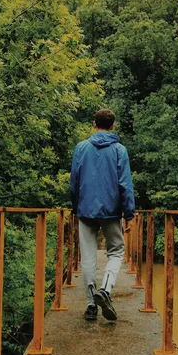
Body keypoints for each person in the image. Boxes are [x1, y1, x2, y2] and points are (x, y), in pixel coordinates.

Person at [70, 109, 135, 321]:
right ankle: (106, 290)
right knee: (116, 251)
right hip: (111, 211)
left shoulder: (81, 148)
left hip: (85, 210)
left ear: (93, 124)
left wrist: (75, 208)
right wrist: (129, 213)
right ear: (113, 125)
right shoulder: (119, 150)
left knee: (88, 257)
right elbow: (125, 184)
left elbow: (74, 183)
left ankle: (91, 306)